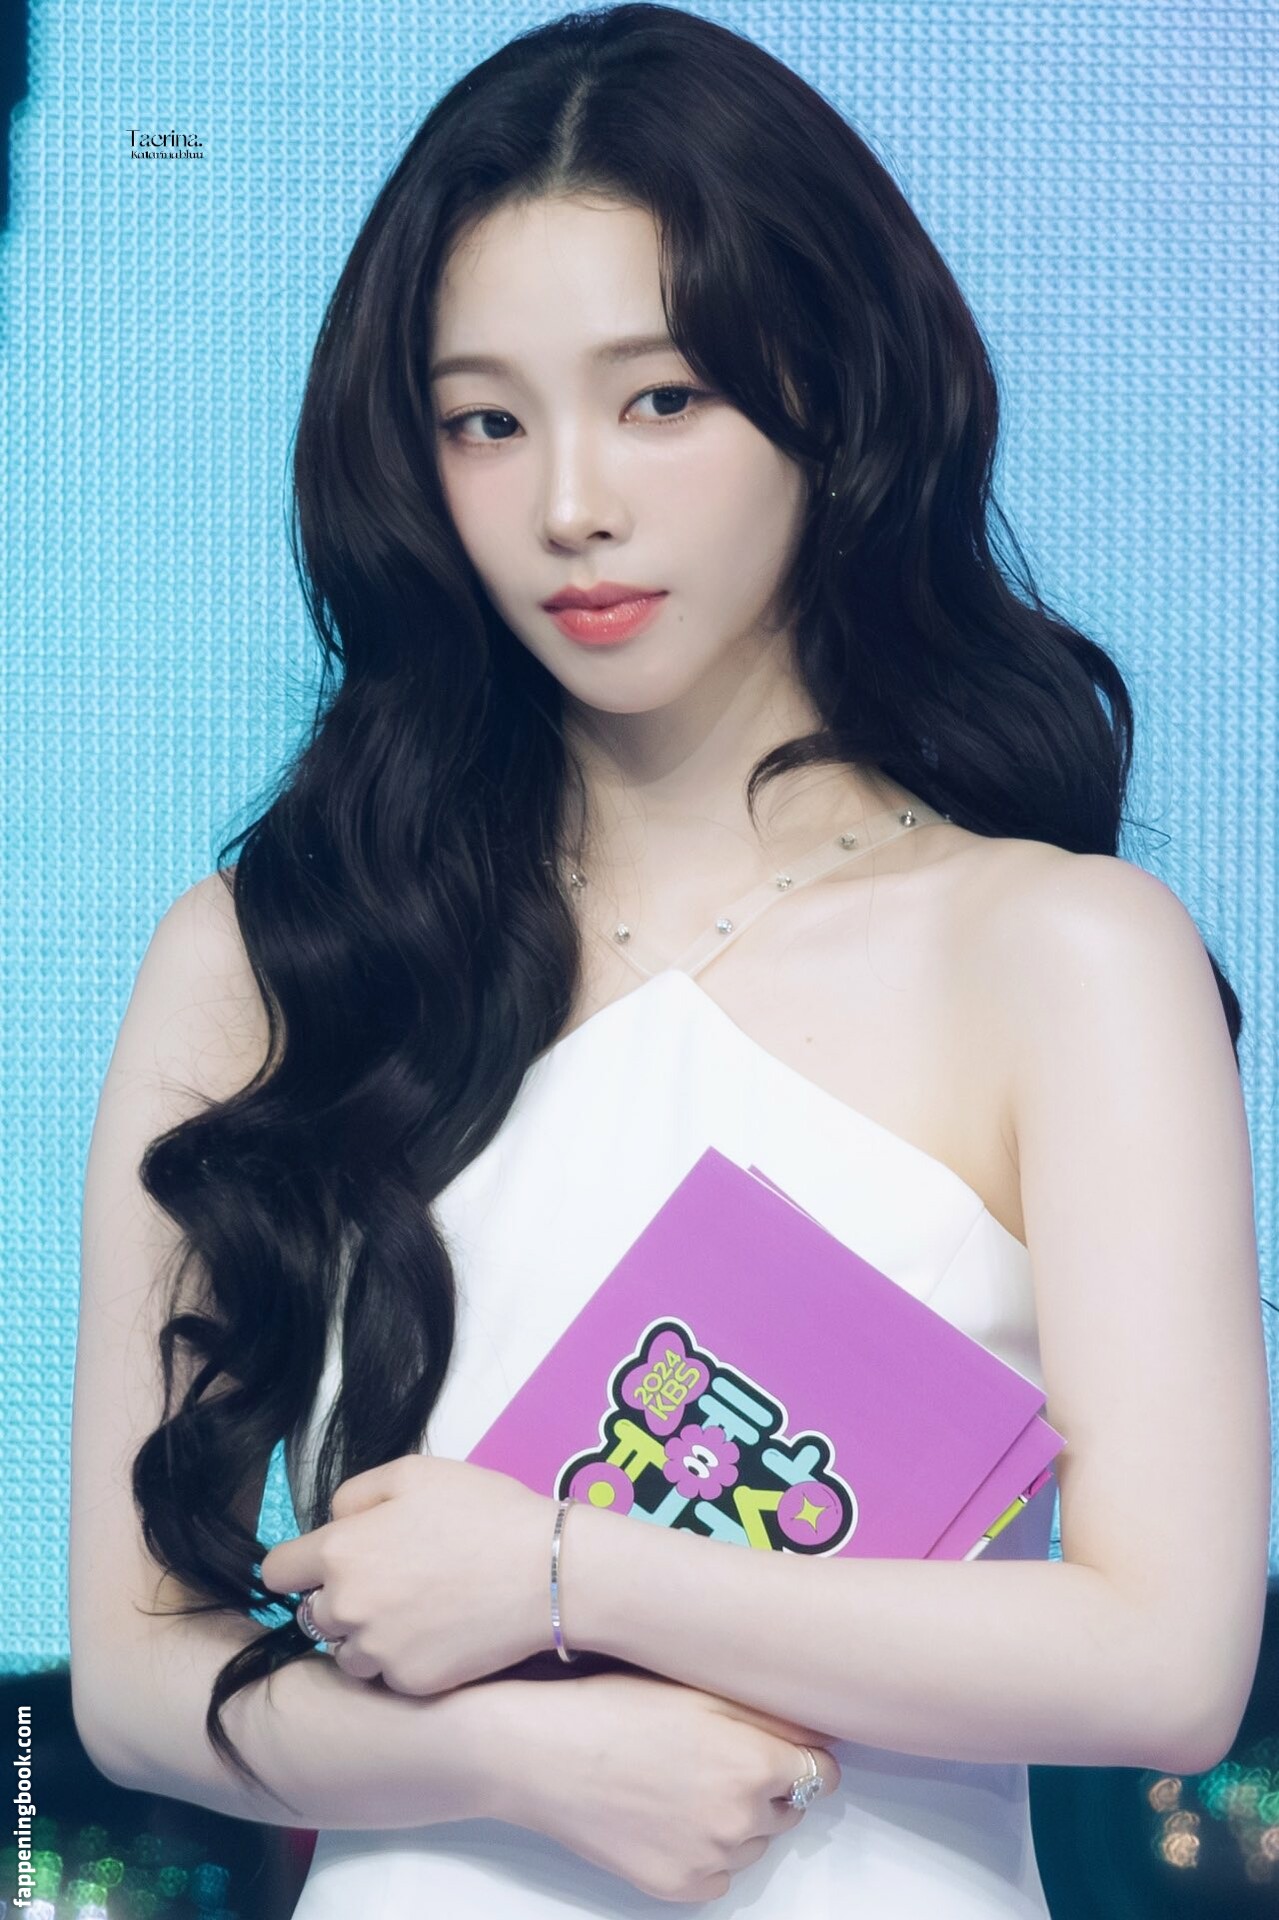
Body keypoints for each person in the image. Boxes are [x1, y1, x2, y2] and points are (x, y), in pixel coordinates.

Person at [68, 5, 1269, 1915]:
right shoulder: (274, 956)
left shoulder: (1060, 952)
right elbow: (137, 1679)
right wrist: (517, 1754)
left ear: (836, 397)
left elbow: (1167, 1658)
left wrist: (570, 1575)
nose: (571, 505)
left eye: (662, 399)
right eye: (485, 420)